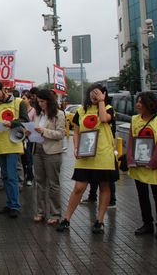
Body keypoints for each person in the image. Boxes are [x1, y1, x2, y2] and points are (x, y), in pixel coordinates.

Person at [57, 84, 118, 234]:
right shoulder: (81, 111)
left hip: (103, 155)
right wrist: (76, 148)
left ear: (103, 94)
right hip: (85, 155)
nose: (93, 95)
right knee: (79, 187)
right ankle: (66, 219)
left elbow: (103, 118)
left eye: (97, 93)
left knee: (104, 187)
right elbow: (77, 132)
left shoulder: (108, 108)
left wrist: (101, 101)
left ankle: (100, 221)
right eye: (92, 92)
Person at [126, 91, 157, 239]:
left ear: (150, 104)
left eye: (141, 102)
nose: (138, 104)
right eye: (137, 101)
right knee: (142, 195)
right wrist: (130, 159)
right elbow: (131, 141)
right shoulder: (134, 119)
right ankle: (147, 223)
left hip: (154, 165)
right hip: (139, 165)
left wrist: (154, 161)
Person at [0, 80, 29, 219]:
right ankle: (9, 203)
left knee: (12, 176)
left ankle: (15, 206)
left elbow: (25, 120)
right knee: (5, 177)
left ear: (4, 89)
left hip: (12, 144)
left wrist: (12, 123)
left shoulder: (18, 102)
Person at [29, 89, 65, 225]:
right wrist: (29, 132)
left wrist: (44, 131)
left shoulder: (59, 114)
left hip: (52, 152)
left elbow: (60, 134)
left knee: (53, 184)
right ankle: (40, 212)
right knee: (39, 183)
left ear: (49, 101)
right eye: (38, 102)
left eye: (43, 101)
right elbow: (35, 130)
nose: (40, 104)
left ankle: (55, 213)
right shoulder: (38, 115)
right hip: (37, 149)